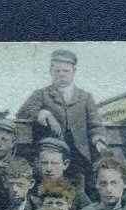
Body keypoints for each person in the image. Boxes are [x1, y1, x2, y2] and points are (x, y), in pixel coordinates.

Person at [18, 49, 108, 200]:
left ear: (74, 71)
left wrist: (98, 139)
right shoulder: (43, 94)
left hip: (78, 155)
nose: (61, 75)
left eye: (65, 71)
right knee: (48, 189)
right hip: (51, 153)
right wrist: (46, 114)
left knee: (77, 191)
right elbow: (24, 111)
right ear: (50, 71)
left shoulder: (85, 97)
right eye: (57, 71)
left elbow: (95, 122)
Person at [34, 137, 91, 210]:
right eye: (44, 163)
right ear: (37, 163)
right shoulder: (30, 192)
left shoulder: (77, 196)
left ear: (65, 164)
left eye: (54, 163)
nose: (49, 169)